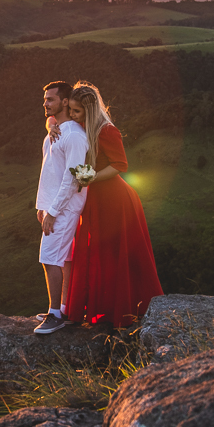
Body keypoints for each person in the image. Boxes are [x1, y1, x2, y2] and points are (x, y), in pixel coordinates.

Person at [62, 82, 164, 328]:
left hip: (116, 201)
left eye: (76, 111)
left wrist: (92, 177)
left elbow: (120, 165)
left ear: (88, 110)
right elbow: (55, 121)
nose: (72, 115)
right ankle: (101, 309)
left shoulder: (107, 131)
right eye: (71, 110)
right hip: (96, 199)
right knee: (99, 254)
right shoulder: (81, 125)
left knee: (116, 254)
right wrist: (52, 127)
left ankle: (125, 311)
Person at [33, 81, 89, 335]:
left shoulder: (74, 135)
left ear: (65, 102)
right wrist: (42, 206)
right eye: (45, 99)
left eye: (50, 99)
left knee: (49, 258)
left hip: (65, 208)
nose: (45, 103)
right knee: (63, 259)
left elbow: (73, 177)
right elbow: (49, 170)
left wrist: (53, 211)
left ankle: (54, 314)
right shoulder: (56, 130)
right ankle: (65, 309)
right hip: (54, 205)